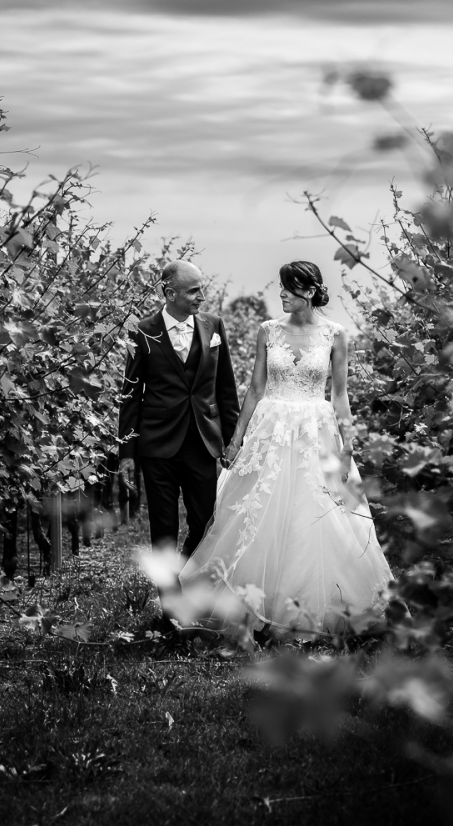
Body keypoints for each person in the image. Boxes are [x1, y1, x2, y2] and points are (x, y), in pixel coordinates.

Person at [179, 260, 393, 636]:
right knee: (258, 514)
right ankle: (253, 605)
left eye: (288, 289)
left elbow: (340, 396)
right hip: (271, 429)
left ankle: (311, 609)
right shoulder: (268, 331)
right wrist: (237, 437)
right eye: (280, 287)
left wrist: (348, 449)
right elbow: (256, 389)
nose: (280, 294)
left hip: (316, 429)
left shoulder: (335, 334)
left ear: (309, 292)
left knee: (314, 515)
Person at [117, 260, 242, 565]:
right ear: (169, 293)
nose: (202, 297)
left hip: (202, 441)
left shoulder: (214, 325)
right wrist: (127, 453)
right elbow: (131, 394)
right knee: (163, 528)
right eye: (194, 291)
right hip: (157, 443)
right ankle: (170, 605)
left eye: (203, 289)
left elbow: (225, 388)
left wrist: (234, 440)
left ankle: (181, 573)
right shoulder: (142, 331)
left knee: (203, 522)